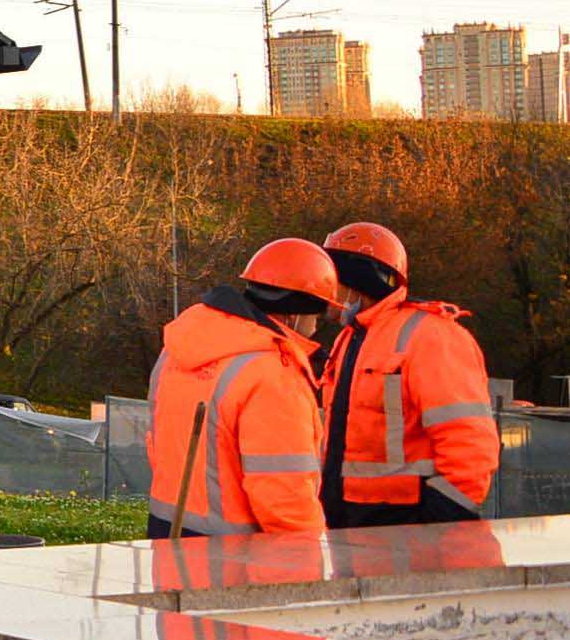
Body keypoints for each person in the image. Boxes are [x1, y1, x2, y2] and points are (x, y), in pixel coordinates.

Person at [144, 239, 331, 540]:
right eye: (316, 317)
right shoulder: (274, 375)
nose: (315, 328)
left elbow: (159, 446)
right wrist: (312, 556)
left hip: (167, 536)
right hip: (236, 556)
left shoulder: (175, 353)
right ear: (294, 315)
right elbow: (285, 498)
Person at [314, 221, 498, 526]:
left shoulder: (431, 335)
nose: (321, 288)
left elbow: (469, 445)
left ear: (357, 280)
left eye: (329, 278)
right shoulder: (350, 338)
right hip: (353, 524)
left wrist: (439, 521)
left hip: (409, 525)